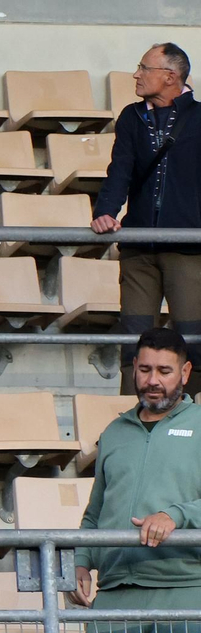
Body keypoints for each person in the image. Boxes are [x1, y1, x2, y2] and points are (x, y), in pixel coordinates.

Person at [71, 326, 201, 633]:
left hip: (185, 588)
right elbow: (94, 512)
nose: (153, 380)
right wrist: (81, 561)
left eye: (164, 371)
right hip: (117, 594)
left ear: (185, 373)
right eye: (144, 369)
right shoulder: (114, 431)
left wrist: (177, 516)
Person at [92, 43, 200, 392]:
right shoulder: (130, 116)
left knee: (193, 337)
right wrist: (106, 211)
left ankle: (193, 418)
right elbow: (119, 169)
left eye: (144, 68)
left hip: (188, 247)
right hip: (137, 245)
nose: (136, 75)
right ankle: (130, 414)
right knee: (133, 337)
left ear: (170, 76)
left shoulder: (199, 118)